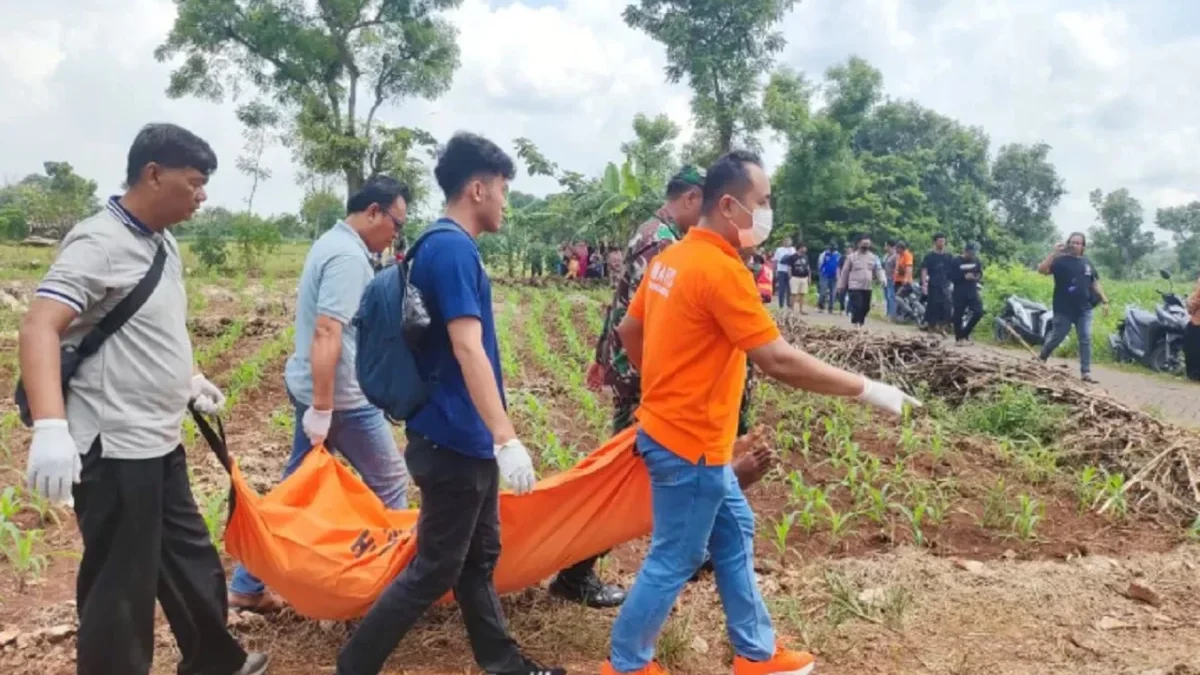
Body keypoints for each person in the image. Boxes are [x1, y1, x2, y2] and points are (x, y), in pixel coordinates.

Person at [601, 150, 920, 675]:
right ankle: (627, 665)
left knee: (735, 529)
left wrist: (663, 382)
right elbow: (776, 358)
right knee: (675, 557)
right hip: (691, 444)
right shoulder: (722, 272)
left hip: (668, 427)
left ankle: (756, 652)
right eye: (762, 202)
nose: (767, 213)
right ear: (729, 205)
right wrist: (868, 389)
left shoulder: (671, 259)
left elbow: (630, 331)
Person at [19, 123, 268, 675]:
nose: (202, 195)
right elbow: (40, 326)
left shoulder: (162, 242)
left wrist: (189, 380)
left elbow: (152, 329)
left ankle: (215, 662)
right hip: (113, 445)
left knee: (190, 559)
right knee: (121, 584)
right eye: (195, 182)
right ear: (154, 174)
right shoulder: (99, 241)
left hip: (158, 437)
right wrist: (51, 428)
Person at [334, 133, 563, 675]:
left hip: (462, 436)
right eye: (504, 190)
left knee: (477, 560)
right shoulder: (453, 249)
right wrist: (507, 438)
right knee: (436, 567)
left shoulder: (437, 245)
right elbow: (466, 346)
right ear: (477, 189)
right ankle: (353, 665)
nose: (506, 201)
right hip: (454, 437)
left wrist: (494, 439)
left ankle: (503, 663)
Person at [579, 165, 775, 609]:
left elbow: (622, 310)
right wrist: (665, 384)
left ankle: (700, 545)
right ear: (691, 200)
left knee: (675, 486)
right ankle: (578, 571)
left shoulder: (650, 234)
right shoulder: (666, 244)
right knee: (633, 485)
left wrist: (600, 356)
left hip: (652, 384)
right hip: (657, 391)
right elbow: (647, 322)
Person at [228, 176, 412, 611]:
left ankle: (247, 584)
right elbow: (328, 330)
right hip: (341, 397)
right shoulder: (348, 257)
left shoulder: (332, 242)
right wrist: (325, 407)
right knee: (390, 480)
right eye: (396, 223)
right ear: (373, 212)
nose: (396, 234)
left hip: (317, 390)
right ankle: (393, 590)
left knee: (297, 484)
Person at [1036, 232, 1109, 383]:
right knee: (1058, 336)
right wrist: (1054, 253)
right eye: (1072, 242)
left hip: (1084, 309)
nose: (1075, 245)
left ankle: (1086, 372)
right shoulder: (1060, 261)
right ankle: (1042, 357)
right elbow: (1042, 270)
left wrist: (1104, 300)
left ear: (1083, 246)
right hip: (1064, 309)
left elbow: (1094, 282)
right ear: (1068, 243)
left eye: (1078, 243)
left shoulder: (1087, 263)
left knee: (1085, 338)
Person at [837, 235, 887, 327]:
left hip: (867, 287)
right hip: (854, 286)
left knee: (865, 307)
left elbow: (878, 269)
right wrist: (841, 285)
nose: (866, 246)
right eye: (864, 244)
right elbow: (845, 272)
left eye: (868, 244)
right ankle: (857, 324)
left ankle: (860, 322)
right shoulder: (851, 257)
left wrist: (882, 279)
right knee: (858, 306)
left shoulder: (873, 257)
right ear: (859, 244)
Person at [950, 241, 985, 344]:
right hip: (959, 291)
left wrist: (977, 276)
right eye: (971, 253)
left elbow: (979, 273)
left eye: (974, 253)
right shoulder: (956, 261)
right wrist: (963, 277)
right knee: (958, 315)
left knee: (979, 312)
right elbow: (950, 276)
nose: (972, 255)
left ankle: (965, 333)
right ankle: (959, 338)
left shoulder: (976, 260)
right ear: (965, 251)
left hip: (972, 291)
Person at [920, 233, 955, 333]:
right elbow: (924, 270)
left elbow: (954, 269)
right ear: (935, 242)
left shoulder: (949, 256)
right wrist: (924, 285)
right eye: (940, 241)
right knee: (933, 306)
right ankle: (931, 328)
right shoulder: (929, 256)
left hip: (945, 284)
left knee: (947, 306)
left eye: (943, 241)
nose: (942, 243)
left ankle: (942, 327)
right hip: (933, 284)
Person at [783, 242, 810, 314]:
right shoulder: (792, 257)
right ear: (800, 248)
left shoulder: (806, 257)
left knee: (802, 294)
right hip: (795, 277)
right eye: (804, 247)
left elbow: (808, 267)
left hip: (804, 277)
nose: (805, 249)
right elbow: (789, 267)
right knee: (793, 294)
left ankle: (801, 310)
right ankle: (791, 309)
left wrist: (809, 277)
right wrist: (790, 277)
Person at [771, 236, 796, 310]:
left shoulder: (793, 249)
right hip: (781, 270)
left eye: (789, 241)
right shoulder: (779, 250)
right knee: (782, 288)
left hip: (790, 271)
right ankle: (781, 305)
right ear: (783, 242)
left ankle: (789, 305)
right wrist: (774, 271)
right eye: (786, 241)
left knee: (790, 289)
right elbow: (775, 260)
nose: (787, 242)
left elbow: (794, 259)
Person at [817, 242, 841, 313]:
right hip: (824, 275)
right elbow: (820, 264)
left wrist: (839, 276)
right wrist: (821, 272)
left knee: (833, 293)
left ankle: (831, 308)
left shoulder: (838, 255)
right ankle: (821, 306)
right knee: (823, 292)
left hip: (834, 276)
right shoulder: (824, 254)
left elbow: (840, 266)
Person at [1186, 274, 1200, 382]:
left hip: (1197, 323)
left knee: (1193, 348)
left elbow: (1194, 302)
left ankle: (1194, 374)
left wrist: (1189, 302)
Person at [882, 240, 898, 317]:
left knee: (891, 296)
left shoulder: (895, 256)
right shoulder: (885, 256)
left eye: (886, 245)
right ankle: (888, 313)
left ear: (889, 246)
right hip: (885, 278)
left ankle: (892, 314)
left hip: (891, 279)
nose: (885, 247)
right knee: (886, 296)